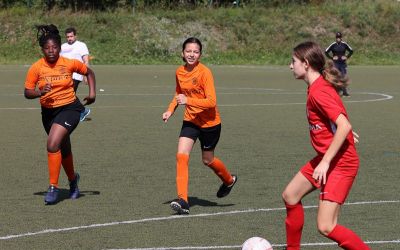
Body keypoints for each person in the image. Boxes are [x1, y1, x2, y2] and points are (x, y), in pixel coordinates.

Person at [282, 41, 369, 250]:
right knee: (291, 195)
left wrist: (327, 159)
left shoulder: (318, 91)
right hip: (329, 158)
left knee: (326, 226)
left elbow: (343, 124)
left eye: (293, 61)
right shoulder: (317, 87)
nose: (290, 66)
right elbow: (338, 122)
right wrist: (342, 132)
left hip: (341, 162)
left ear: (305, 63)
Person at [162, 37, 237, 215]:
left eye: (195, 52)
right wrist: (170, 110)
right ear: (182, 53)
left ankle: (229, 180)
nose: (191, 54)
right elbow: (178, 93)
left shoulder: (205, 72)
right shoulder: (179, 72)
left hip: (210, 124)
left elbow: (211, 102)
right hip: (191, 121)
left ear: (200, 55)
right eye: (188, 51)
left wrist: (188, 100)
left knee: (208, 160)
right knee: (181, 156)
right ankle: (183, 201)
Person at [24, 24, 96, 205]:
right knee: (63, 147)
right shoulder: (36, 68)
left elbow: (89, 72)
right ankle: (73, 182)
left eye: (54, 47)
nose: (51, 51)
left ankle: (53, 188)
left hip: (70, 108)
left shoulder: (68, 63)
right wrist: (40, 92)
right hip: (48, 113)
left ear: (59, 48)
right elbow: (27, 92)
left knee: (52, 143)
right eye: (47, 48)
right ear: (42, 49)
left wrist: (93, 93)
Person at [61, 27, 91, 121]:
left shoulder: (81, 45)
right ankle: (80, 112)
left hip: (76, 75)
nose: (69, 38)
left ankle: (82, 111)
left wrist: (86, 75)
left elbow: (86, 61)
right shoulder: (63, 46)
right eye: (68, 37)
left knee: (69, 94)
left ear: (75, 36)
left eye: (71, 36)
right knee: (68, 95)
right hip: (64, 75)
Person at [325, 32, 353, 96]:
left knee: (343, 76)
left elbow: (351, 51)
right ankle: (334, 91)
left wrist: (346, 57)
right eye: (337, 37)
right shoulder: (333, 45)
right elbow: (326, 52)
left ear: (341, 38)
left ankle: (344, 92)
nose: (338, 39)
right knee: (335, 77)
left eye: (339, 37)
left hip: (343, 64)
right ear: (336, 38)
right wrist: (332, 58)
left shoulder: (344, 44)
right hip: (335, 64)